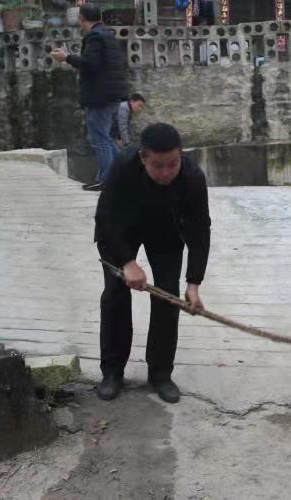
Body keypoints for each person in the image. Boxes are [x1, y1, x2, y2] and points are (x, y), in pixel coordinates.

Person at [94, 123, 211, 403]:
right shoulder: (123, 167)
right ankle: (112, 371)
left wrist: (194, 283)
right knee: (115, 296)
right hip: (122, 231)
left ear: (181, 155)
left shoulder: (192, 176)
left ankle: (160, 373)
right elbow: (104, 220)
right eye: (158, 166)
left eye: (173, 164)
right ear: (143, 158)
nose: (166, 172)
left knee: (168, 298)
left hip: (166, 231)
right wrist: (126, 262)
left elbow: (200, 230)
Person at [50, 3, 127, 192]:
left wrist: (66, 57)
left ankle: (105, 179)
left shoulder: (94, 36)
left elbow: (91, 64)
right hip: (111, 92)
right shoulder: (107, 35)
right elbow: (98, 65)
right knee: (105, 137)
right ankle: (125, 171)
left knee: (99, 138)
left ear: (82, 18)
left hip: (99, 95)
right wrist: (78, 64)